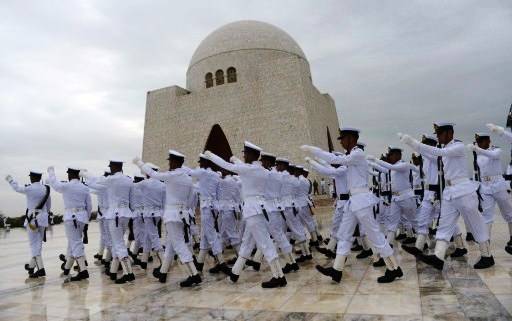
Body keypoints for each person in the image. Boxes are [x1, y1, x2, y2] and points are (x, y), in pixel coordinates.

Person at [302, 127, 403, 283]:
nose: (341, 142)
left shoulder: (357, 154)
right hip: (353, 202)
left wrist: (314, 151)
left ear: (351, 139)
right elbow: (334, 165)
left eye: (342, 138)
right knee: (344, 234)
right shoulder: (351, 157)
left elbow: (336, 160)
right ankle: (337, 269)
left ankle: (394, 268)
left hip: (361, 200)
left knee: (374, 235)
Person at [399, 122, 494, 270]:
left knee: (476, 223)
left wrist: (414, 143)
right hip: (450, 191)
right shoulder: (445, 148)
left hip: (463, 190)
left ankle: (487, 256)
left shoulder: (458, 146)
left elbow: (439, 153)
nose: (438, 137)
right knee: (445, 225)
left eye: (439, 134)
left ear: (449, 133)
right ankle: (438, 256)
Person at [204, 142, 287, 288]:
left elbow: (227, 166)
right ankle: (235, 273)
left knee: (265, 243)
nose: (244, 155)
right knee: (247, 243)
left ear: (252, 155)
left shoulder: (250, 169)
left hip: (253, 210)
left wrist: (211, 156)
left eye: (246, 153)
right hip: (258, 209)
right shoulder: (259, 169)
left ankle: (279, 276)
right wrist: (236, 159)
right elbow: (242, 167)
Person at [133, 150, 202, 287]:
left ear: (176, 162)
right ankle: (163, 272)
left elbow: (153, 174)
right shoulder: (188, 179)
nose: (169, 163)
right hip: (182, 214)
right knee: (170, 245)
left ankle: (194, 274)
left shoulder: (173, 175)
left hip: (173, 215)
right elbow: (189, 201)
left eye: (170, 160)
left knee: (178, 244)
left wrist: (139, 163)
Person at [82, 160, 136, 283]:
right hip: (125, 214)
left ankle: (129, 273)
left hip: (114, 215)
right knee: (118, 243)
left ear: (116, 166)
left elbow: (96, 181)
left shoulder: (111, 180)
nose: (110, 169)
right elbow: (132, 201)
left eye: (111, 166)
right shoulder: (128, 180)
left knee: (118, 244)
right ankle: (113, 271)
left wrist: (85, 174)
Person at [468, 132, 512, 255]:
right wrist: (477, 151)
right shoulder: (479, 153)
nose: (480, 144)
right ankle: (486, 244)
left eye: (482, 141)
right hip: (485, 187)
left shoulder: (496, 150)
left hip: (498, 185)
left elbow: (493, 155)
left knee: (509, 213)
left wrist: (477, 149)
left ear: (488, 141)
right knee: (487, 217)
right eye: (478, 142)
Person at [367, 147, 419, 250]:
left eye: (390, 155)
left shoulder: (403, 165)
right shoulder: (393, 167)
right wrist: (370, 163)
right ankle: (388, 246)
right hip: (396, 198)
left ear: (397, 155)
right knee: (392, 223)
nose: (389, 157)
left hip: (406, 197)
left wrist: (376, 160)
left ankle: (423, 242)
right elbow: (382, 170)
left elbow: (390, 167)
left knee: (414, 221)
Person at [47, 166, 92, 281]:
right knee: (74, 243)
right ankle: (67, 268)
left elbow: (54, 183)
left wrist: (51, 171)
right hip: (82, 217)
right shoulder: (84, 187)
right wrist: (86, 218)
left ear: (70, 174)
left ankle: (83, 271)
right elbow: (89, 205)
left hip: (70, 218)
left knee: (75, 243)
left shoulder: (66, 186)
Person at [189, 154, 230, 275]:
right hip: (213, 208)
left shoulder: (203, 173)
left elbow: (189, 172)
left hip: (206, 208)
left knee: (211, 236)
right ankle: (200, 264)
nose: (199, 164)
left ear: (205, 163)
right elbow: (218, 193)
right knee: (205, 238)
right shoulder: (216, 175)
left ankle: (222, 263)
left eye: (201, 162)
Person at [5, 171, 51, 278]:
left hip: (32, 220)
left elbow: (17, 188)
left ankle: (41, 269)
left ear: (33, 177)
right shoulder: (46, 188)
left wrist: (10, 180)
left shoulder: (29, 188)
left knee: (33, 244)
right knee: (38, 244)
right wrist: (44, 215)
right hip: (43, 219)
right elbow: (48, 205)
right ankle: (31, 266)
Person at [136, 163, 166, 269]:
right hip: (158, 214)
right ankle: (144, 261)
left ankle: (163, 262)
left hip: (149, 214)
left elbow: (132, 186)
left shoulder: (145, 183)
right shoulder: (163, 185)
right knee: (148, 236)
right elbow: (164, 202)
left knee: (154, 237)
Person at [90, 169, 112, 268]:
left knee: (108, 236)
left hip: (108, 213)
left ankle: (109, 256)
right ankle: (101, 253)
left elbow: (91, 187)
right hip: (102, 213)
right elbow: (92, 190)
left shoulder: (107, 187)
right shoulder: (101, 187)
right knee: (104, 235)